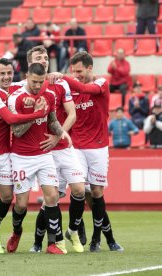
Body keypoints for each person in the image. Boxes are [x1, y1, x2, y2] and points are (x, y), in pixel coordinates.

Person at [9, 46, 85, 254]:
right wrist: (34, 113)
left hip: (45, 154)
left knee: (52, 197)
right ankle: (17, 232)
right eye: (34, 81)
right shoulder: (16, 95)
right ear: (27, 74)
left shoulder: (51, 91)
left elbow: (52, 120)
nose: (37, 86)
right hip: (22, 156)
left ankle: (55, 242)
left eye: (40, 82)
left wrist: (62, 134)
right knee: (21, 205)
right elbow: (17, 131)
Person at [49, 51, 124, 252]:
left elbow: (82, 87)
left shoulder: (101, 84)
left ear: (90, 68)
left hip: (99, 147)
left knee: (96, 194)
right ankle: (76, 227)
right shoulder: (70, 91)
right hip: (77, 148)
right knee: (80, 190)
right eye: (73, 72)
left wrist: (63, 76)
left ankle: (100, 239)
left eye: (80, 71)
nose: (77, 75)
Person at [0, 58, 47, 254]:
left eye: (8, 73)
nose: (6, 77)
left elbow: (41, 80)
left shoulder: (16, 88)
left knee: (7, 196)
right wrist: (38, 114)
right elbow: (11, 119)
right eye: (2, 74)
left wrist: (58, 75)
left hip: (4, 152)